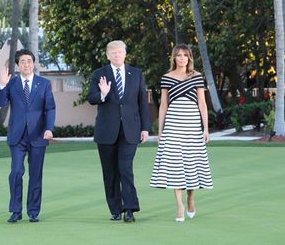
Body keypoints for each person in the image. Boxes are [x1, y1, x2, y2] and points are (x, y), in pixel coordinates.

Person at [88, 40, 151, 222]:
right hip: (106, 130)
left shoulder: (136, 74)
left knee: (125, 168)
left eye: (120, 52)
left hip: (130, 130)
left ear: (125, 54)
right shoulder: (99, 74)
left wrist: (145, 128)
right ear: (108, 56)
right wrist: (103, 94)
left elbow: (142, 104)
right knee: (110, 172)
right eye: (113, 52)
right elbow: (91, 98)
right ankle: (115, 209)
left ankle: (129, 208)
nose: (117, 55)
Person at [150, 44, 213, 222]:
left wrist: (205, 128)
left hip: (192, 126)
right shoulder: (166, 78)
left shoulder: (197, 77)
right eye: (179, 55)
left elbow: (202, 103)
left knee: (191, 163)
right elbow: (163, 105)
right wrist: (160, 131)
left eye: (185, 55)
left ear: (189, 58)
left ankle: (190, 197)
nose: (182, 58)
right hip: (173, 126)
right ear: (174, 58)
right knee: (175, 165)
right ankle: (179, 206)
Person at [0, 49, 56, 223]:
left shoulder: (43, 84)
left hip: (38, 135)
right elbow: (0, 102)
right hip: (17, 136)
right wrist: (3, 85)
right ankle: (15, 210)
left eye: (29, 61)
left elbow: (50, 108)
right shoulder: (12, 83)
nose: (26, 64)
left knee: (35, 175)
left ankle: (33, 211)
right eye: (23, 62)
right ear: (18, 65)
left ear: (33, 63)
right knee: (16, 172)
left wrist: (49, 128)